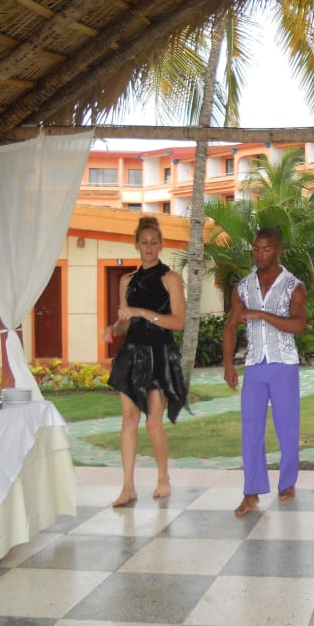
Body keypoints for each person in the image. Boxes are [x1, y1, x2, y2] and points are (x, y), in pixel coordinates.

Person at [223, 227, 307, 517]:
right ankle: (251, 492)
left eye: (266, 249)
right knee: (251, 431)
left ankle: (287, 483)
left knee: (287, 429)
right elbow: (231, 327)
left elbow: (297, 325)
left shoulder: (293, 286)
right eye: (256, 249)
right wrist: (227, 364)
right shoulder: (243, 287)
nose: (260, 254)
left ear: (278, 250)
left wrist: (261, 314)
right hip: (254, 366)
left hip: (284, 364)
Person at [104, 216, 188, 507]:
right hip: (132, 354)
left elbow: (178, 322)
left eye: (154, 242)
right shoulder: (127, 281)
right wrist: (114, 328)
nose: (149, 247)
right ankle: (127, 486)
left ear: (161, 245)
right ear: (137, 245)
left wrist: (141, 312)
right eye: (144, 242)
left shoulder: (171, 279)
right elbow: (125, 324)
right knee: (128, 418)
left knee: (153, 422)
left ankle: (163, 476)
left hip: (159, 354)